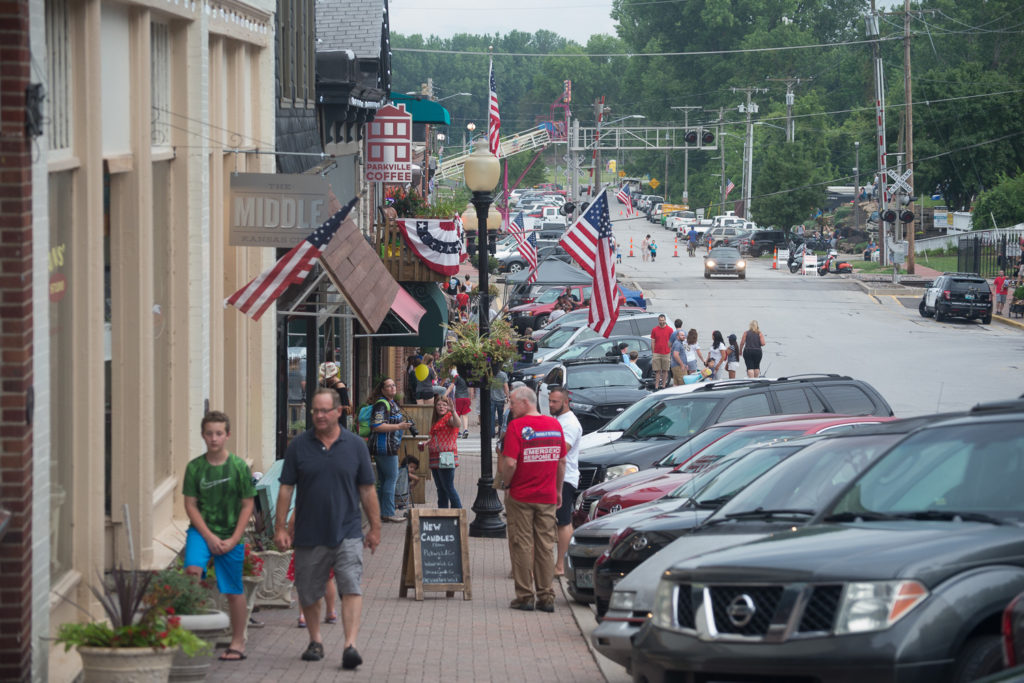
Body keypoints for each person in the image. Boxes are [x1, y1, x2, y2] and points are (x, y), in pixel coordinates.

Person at [274, 388, 380, 669]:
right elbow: (286, 488)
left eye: (325, 410)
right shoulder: (299, 446)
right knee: (308, 591)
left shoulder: (355, 445)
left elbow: (368, 490)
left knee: (351, 586)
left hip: (348, 530)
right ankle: (315, 640)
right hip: (309, 532)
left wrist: (375, 529)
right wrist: (281, 527)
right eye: (316, 411)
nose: (320, 416)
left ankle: (350, 646)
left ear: (338, 411)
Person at [182, 411, 256, 662]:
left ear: (227, 435)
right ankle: (191, 634)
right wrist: (208, 537)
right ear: (203, 435)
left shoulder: (238, 467)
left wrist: (235, 539)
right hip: (202, 532)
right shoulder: (195, 468)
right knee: (192, 572)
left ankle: (238, 641)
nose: (213, 438)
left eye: (219, 433)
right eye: (209, 434)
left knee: (233, 589)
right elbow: (190, 505)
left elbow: (247, 504)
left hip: (231, 534)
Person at [499, 386, 566, 612]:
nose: (510, 407)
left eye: (513, 403)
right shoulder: (555, 426)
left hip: (521, 495)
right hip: (547, 496)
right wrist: (558, 490)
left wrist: (506, 484)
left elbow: (509, 463)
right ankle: (546, 595)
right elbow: (561, 462)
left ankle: (525, 596)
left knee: (522, 545)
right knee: (546, 546)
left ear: (526, 403)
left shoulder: (516, 426)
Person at [368, 378, 413, 523]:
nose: (393, 388)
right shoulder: (382, 404)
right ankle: (388, 512)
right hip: (384, 447)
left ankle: (380, 512)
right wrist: (399, 427)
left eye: (394, 385)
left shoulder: (391, 403)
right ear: (382, 389)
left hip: (389, 446)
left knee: (383, 480)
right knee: (391, 479)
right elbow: (377, 425)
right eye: (389, 386)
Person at [549, 387, 582, 577]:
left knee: (563, 521)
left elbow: (562, 450)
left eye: (555, 402)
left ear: (566, 402)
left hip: (565, 478)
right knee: (562, 520)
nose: (551, 405)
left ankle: (561, 565)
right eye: (550, 401)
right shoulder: (559, 420)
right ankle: (560, 564)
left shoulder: (569, 423)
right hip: (559, 476)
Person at [427, 394, 463, 508]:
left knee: (448, 487)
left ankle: (458, 512)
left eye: (444, 404)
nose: (441, 407)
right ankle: (443, 514)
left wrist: (453, 411)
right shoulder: (436, 420)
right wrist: (426, 443)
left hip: (446, 456)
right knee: (440, 489)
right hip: (434, 457)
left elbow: (458, 424)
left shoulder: (449, 418)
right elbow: (434, 437)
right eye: (438, 404)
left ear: (448, 406)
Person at [650, 314, 674, 390]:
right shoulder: (654, 329)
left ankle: (664, 386)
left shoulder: (670, 330)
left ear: (665, 320)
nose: (662, 321)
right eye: (660, 320)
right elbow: (653, 342)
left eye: (663, 320)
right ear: (658, 320)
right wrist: (653, 353)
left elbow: (672, 342)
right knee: (657, 371)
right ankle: (656, 386)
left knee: (665, 370)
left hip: (666, 353)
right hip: (657, 353)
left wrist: (670, 351)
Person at [450, 369, 472, 439]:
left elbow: (451, 387)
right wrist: (470, 398)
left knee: (457, 414)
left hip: (458, 398)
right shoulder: (468, 377)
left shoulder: (456, 377)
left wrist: (445, 394)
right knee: (465, 415)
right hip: (466, 397)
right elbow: (470, 389)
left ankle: (457, 431)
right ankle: (465, 430)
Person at [491, 366, 511, 438]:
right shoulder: (503, 375)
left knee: (492, 416)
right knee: (500, 417)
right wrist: (508, 397)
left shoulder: (490, 374)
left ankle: (492, 433)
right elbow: (506, 387)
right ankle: (500, 432)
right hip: (501, 398)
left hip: (491, 398)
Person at [288, 358, 306, 425]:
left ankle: (291, 429)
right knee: (297, 416)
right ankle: (296, 430)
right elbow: (303, 385)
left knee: (290, 415)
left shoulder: (288, 375)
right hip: (298, 397)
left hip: (290, 397)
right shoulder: (300, 375)